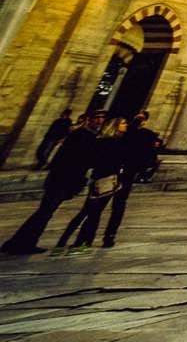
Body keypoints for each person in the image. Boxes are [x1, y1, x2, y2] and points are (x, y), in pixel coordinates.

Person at [3, 109, 103, 255]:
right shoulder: (81, 135)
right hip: (62, 179)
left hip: (64, 179)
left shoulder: (86, 135)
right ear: (89, 119)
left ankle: (20, 242)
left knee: (44, 212)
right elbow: (75, 159)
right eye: (97, 118)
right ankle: (22, 243)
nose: (99, 121)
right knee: (45, 212)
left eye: (101, 119)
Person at [55, 118, 127, 252]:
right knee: (94, 212)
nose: (126, 125)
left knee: (87, 211)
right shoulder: (117, 143)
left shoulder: (100, 140)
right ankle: (84, 242)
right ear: (116, 126)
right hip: (108, 180)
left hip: (97, 178)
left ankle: (66, 240)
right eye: (123, 123)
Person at [100, 112, 160, 248]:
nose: (126, 125)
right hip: (117, 174)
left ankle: (106, 236)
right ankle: (107, 236)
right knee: (111, 206)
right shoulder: (120, 138)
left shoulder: (131, 136)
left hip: (120, 174)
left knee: (107, 206)